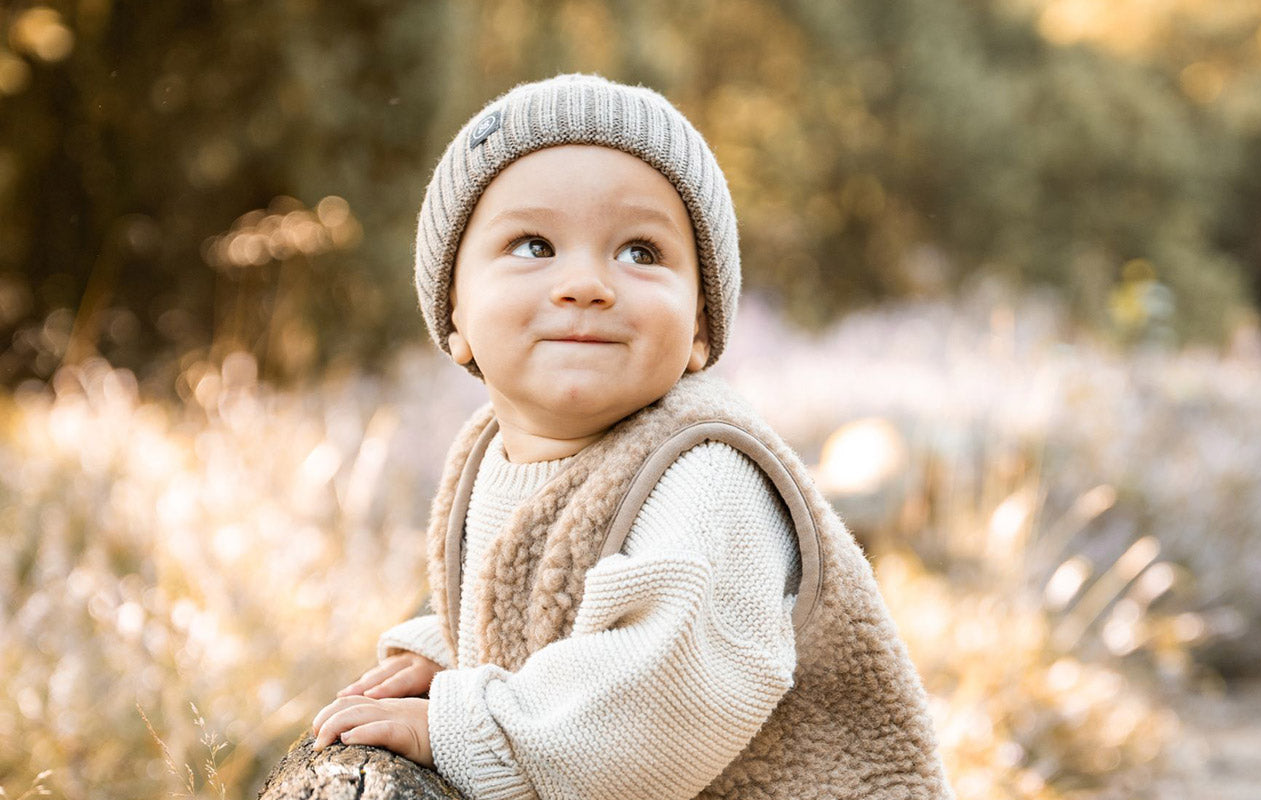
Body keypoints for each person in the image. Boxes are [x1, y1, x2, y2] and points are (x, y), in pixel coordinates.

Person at [307, 73, 952, 800]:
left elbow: (664, 694)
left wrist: (462, 725)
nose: (586, 283)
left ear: (702, 330)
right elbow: (523, 594)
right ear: (455, 316)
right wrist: (449, 657)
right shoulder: (490, 447)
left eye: (641, 252)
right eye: (533, 244)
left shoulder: (707, 477)